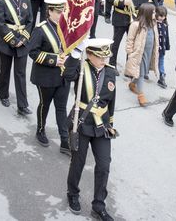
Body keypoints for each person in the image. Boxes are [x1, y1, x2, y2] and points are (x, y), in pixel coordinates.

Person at [65, 38, 117, 221]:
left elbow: (111, 101)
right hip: (82, 121)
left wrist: (110, 124)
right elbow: (67, 75)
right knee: (78, 162)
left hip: (101, 124)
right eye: (100, 57)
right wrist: (75, 54)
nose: (104, 61)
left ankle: (99, 205)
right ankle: (72, 193)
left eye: (106, 57)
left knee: (104, 165)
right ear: (89, 55)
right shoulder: (81, 68)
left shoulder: (110, 72)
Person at [29, 0, 71, 154]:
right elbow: (33, 52)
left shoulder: (67, 28)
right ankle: (40, 130)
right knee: (44, 104)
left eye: (64, 12)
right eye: (59, 12)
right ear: (50, 11)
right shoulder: (41, 29)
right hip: (46, 75)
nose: (62, 15)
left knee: (61, 107)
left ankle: (64, 141)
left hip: (63, 75)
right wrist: (54, 60)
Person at [0, 0, 33, 113]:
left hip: (22, 40)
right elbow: (0, 23)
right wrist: (12, 40)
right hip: (6, 41)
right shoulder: (1, 0)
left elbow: (30, 21)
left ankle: (22, 105)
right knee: (5, 70)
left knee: (20, 73)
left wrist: (23, 39)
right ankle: (3, 95)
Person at [106, 0, 140, 70]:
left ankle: (128, 66)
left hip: (132, 18)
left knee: (131, 44)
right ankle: (112, 65)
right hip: (120, 17)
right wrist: (122, 2)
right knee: (116, 43)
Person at [125, 3, 158, 106]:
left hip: (149, 53)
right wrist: (131, 53)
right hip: (139, 54)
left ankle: (133, 84)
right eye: (153, 12)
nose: (155, 14)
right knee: (142, 73)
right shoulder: (135, 25)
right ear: (147, 13)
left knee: (142, 70)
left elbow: (155, 38)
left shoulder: (153, 24)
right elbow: (129, 40)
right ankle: (141, 95)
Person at [155, 5, 170, 89]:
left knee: (161, 61)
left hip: (162, 47)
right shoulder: (153, 24)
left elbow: (166, 36)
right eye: (160, 16)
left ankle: (162, 75)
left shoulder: (165, 25)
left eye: (164, 16)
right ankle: (145, 73)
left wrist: (167, 46)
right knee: (150, 59)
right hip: (154, 48)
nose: (162, 18)